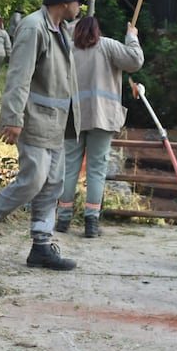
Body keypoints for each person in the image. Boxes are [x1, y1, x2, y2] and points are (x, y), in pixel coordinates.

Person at [0, 0, 84, 271]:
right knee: (33, 180)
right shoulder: (33, 27)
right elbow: (18, 77)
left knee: (52, 185)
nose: (81, 5)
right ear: (64, 1)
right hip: (34, 121)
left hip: (56, 124)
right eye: (78, 0)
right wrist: (12, 119)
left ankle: (41, 246)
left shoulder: (61, 29)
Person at [56, 16, 144, 237]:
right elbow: (135, 61)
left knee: (69, 169)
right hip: (103, 118)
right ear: (98, 30)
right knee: (96, 170)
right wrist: (131, 38)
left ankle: (63, 219)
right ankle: (91, 222)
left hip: (73, 117)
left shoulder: (69, 50)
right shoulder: (108, 46)